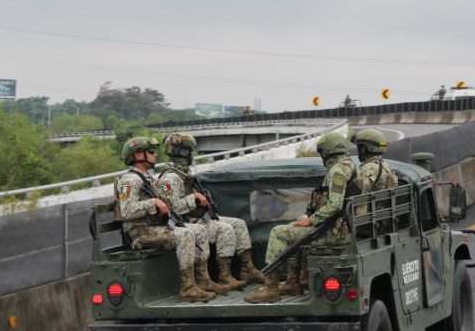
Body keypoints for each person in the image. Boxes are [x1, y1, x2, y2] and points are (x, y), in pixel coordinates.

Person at [244, 132, 358, 303]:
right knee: (295, 231)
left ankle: (271, 287)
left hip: (332, 232)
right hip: (338, 228)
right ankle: (292, 282)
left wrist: (311, 220)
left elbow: (335, 204)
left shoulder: (338, 171)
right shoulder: (349, 166)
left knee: (279, 233)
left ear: (327, 152)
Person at [157, 133, 265, 291]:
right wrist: (193, 199)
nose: (191, 155)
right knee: (224, 229)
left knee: (238, 224)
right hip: (185, 224)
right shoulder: (171, 178)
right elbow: (172, 209)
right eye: (188, 151)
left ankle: (247, 268)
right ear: (181, 152)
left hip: (197, 219)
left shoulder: (185, 174)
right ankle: (224, 275)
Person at [114, 136, 214, 302]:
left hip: (155, 228)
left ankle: (203, 281)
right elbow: (126, 211)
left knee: (199, 229)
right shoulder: (130, 181)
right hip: (141, 234)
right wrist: (153, 203)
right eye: (151, 152)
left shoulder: (148, 178)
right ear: (139, 155)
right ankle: (188, 288)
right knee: (185, 235)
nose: (155, 155)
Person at [353, 128, 398, 192]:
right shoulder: (386, 165)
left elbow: (356, 193)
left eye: (360, 147)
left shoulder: (368, 168)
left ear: (364, 149)